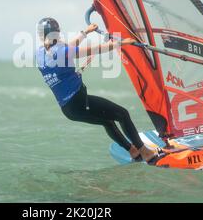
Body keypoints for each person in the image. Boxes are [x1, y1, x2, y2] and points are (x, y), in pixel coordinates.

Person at [35, 17, 158, 163]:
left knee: (107, 122)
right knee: (122, 114)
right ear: (57, 32)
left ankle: (133, 151)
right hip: (79, 102)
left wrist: (85, 32)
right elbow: (96, 49)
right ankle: (145, 152)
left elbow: (67, 47)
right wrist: (123, 42)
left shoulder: (40, 54)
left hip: (68, 110)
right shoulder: (63, 51)